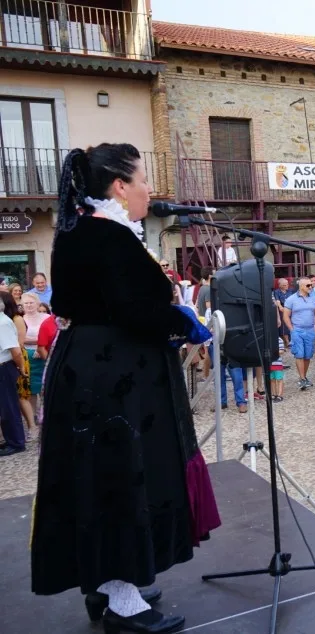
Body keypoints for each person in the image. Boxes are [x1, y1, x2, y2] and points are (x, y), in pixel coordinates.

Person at [32, 144, 219, 632]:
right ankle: (120, 595)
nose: (148, 191)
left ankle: (110, 581)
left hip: (97, 370)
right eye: (142, 181)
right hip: (112, 380)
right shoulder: (108, 236)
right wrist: (178, 320)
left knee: (101, 477)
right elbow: (133, 310)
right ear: (119, 186)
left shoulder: (83, 231)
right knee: (119, 477)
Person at [0, 296, 26, 456]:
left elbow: (15, 351)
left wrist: (21, 366)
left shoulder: (3, 323)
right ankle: (10, 439)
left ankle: (16, 442)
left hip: (4, 367)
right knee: (4, 407)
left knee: (8, 406)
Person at [283, 277, 315, 390]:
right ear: (301, 286)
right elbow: (285, 316)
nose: (311, 287)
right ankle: (302, 378)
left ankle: (304, 377)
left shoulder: (314, 299)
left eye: (311, 285)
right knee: (299, 354)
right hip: (297, 330)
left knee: (308, 355)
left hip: (310, 330)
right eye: (308, 285)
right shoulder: (291, 299)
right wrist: (292, 329)